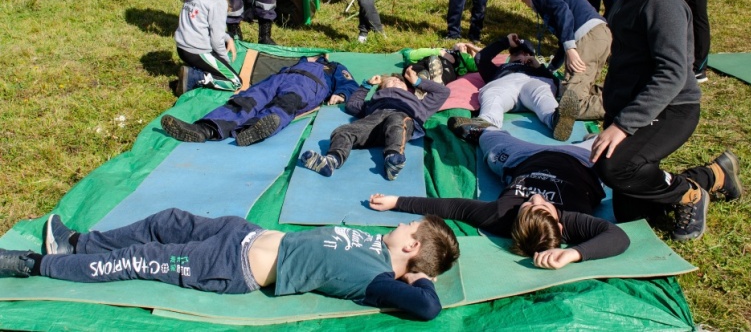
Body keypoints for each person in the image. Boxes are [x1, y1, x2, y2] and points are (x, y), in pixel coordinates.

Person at [0, 210, 459, 321]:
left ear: (412, 246)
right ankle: (76, 244)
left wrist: (422, 278)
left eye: (406, 226)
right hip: (241, 232)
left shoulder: (379, 280)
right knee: (167, 221)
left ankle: (32, 264)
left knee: (137, 261)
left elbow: (426, 309)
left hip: (229, 265)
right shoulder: (374, 244)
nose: (397, 225)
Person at [588, 0, 742, 241]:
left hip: (673, 108)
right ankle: (715, 174)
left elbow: (672, 72)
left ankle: (691, 194)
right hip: (639, 106)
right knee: (629, 213)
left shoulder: (660, 1)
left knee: (614, 168)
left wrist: (623, 125)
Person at [369, 128, 629, 269]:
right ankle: (593, 137)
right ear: (560, 226)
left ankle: (481, 130)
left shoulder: (501, 215)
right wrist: (574, 253)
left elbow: (451, 207)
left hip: (521, 158)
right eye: (543, 206)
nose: (537, 197)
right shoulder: (571, 221)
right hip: (581, 160)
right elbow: (618, 237)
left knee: (490, 138)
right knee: (612, 146)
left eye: (529, 205)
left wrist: (396, 201)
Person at [161, 56, 358, 147]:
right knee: (247, 100)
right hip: (277, 80)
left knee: (285, 104)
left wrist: (341, 94)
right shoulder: (299, 61)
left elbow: (349, 83)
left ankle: (254, 130)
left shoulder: (333, 67)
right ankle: (204, 129)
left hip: (308, 86)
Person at [300, 67, 450, 180]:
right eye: (391, 80)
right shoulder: (374, 102)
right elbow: (352, 105)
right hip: (374, 122)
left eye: (400, 81)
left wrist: (417, 81)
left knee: (397, 120)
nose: (396, 80)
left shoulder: (419, 104)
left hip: (402, 119)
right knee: (343, 130)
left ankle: (393, 159)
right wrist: (367, 85)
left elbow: (443, 92)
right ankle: (331, 161)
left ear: (408, 88)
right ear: (382, 88)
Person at [517, 0, 610, 123]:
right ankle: (617, 95)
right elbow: (563, 36)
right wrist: (550, 69)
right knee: (576, 89)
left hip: (587, 37)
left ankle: (621, 106)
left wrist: (570, 49)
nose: (530, 7)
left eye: (524, 2)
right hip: (600, 34)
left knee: (570, 105)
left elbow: (562, 10)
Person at [448, 34, 576, 142]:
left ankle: (555, 120)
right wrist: (505, 42)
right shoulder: (499, 69)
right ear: (509, 57)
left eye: (527, 53)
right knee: (492, 93)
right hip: (504, 84)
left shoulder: (538, 70)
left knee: (543, 92)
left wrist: (539, 67)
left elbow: (555, 84)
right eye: (516, 53)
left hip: (532, 81)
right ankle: (484, 125)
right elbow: (480, 57)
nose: (522, 56)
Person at [172, 0, 241, 97]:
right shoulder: (217, 1)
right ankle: (195, 77)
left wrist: (228, 38)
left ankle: (193, 71)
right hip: (197, 51)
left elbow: (203, 23)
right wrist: (224, 61)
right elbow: (216, 39)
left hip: (181, 47)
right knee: (235, 82)